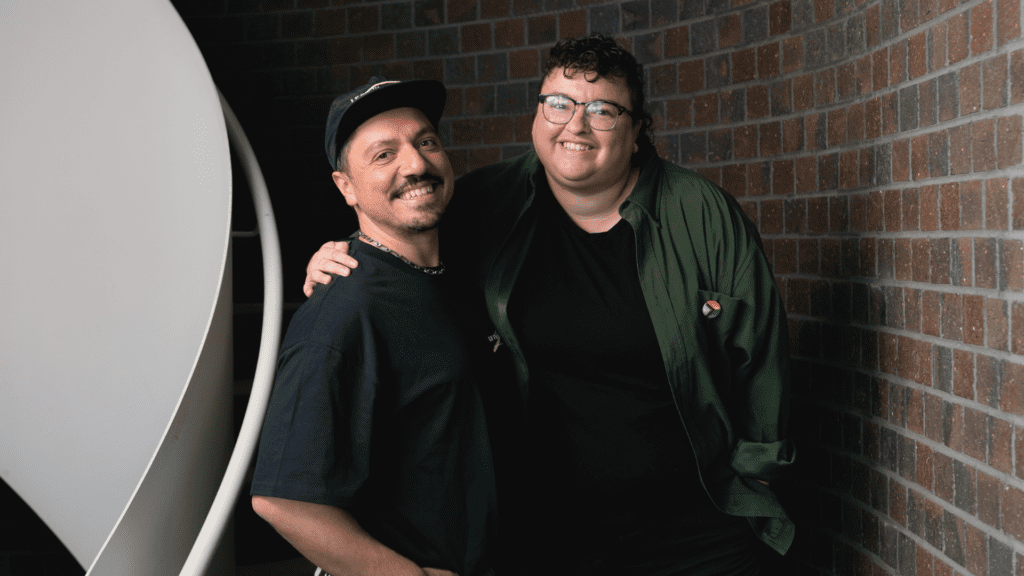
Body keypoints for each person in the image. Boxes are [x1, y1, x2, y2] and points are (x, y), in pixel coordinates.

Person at [303, 34, 795, 575]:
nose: (575, 126)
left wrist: (759, 475)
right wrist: (345, 251)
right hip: (548, 535)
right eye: (558, 103)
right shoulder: (488, 202)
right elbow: (403, 224)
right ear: (538, 115)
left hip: (694, 529)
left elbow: (761, 354)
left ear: (635, 134)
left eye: (603, 111)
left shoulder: (701, 214)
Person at [250, 77, 496, 576]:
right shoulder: (343, 312)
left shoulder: (463, 271)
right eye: (384, 155)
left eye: (426, 142)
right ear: (347, 187)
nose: (416, 164)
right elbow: (283, 501)